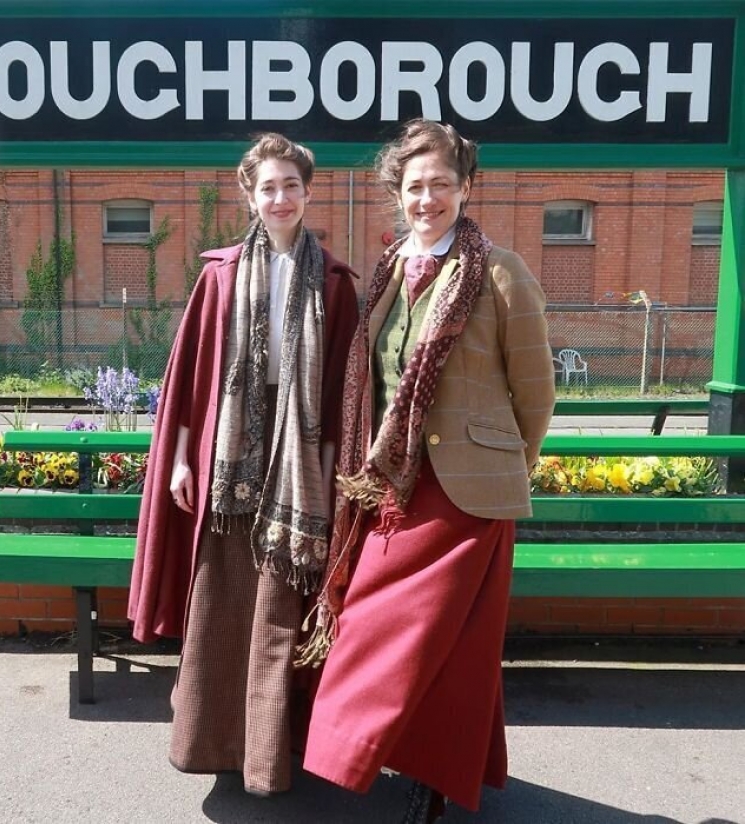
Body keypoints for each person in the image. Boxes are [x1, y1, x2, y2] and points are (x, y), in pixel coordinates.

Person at [299, 119, 556, 822]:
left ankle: (431, 777)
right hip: (392, 487)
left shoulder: (500, 271)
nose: (426, 198)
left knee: (445, 645)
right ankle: (390, 756)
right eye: (414, 185)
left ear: (464, 188)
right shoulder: (386, 272)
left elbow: (535, 395)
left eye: (441, 184)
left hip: (469, 496)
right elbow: (373, 384)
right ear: (396, 192)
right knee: (379, 628)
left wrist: (501, 467)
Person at [128, 133, 359, 796]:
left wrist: (322, 477)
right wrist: (176, 463)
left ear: (307, 193)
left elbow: (341, 394)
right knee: (224, 607)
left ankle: (269, 756)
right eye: (268, 187)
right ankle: (210, 743)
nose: (280, 197)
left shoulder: (337, 284)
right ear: (249, 196)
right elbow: (185, 385)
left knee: (281, 610)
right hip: (226, 463)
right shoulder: (219, 275)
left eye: (291, 185)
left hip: (297, 471)